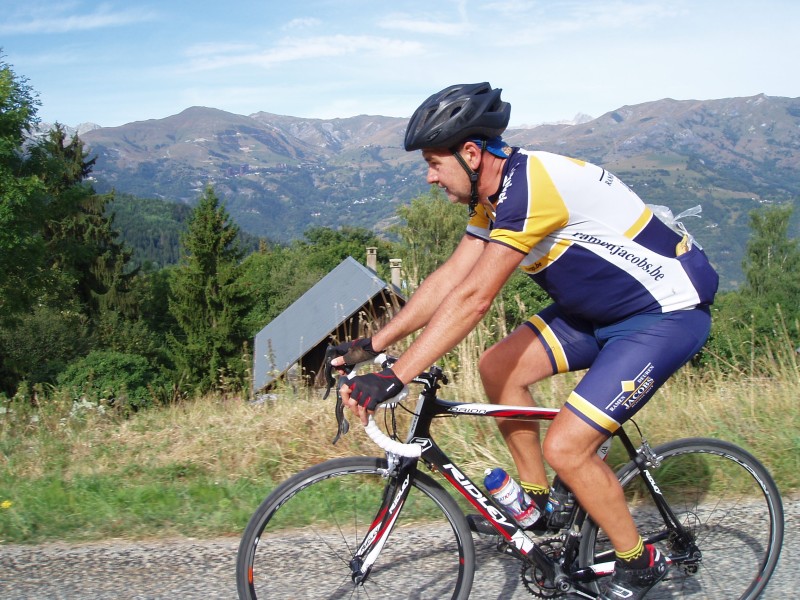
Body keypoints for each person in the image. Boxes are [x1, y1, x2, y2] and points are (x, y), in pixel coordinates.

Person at [334, 82, 718, 600]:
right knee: (499, 368)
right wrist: (371, 346)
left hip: (661, 316)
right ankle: (538, 503)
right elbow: (451, 278)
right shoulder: (493, 195)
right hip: (594, 313)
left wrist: (396, 376)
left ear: (470, 154)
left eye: (433, 162)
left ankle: (638, 560)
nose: (430, 177)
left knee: (567, 445)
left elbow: (474, 299)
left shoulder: (531, 189)